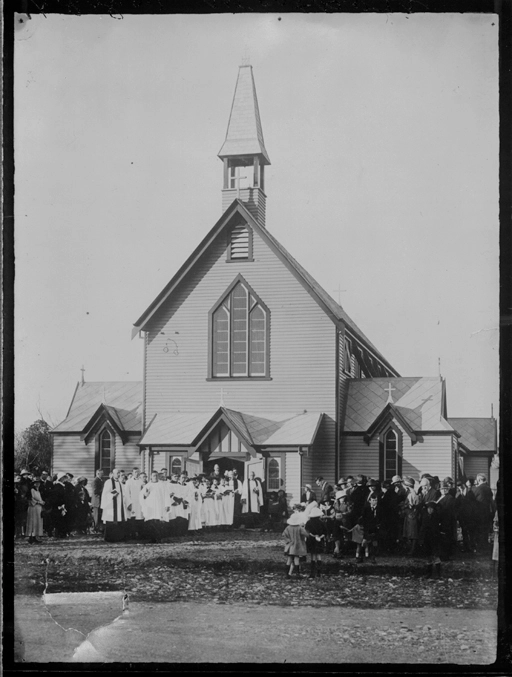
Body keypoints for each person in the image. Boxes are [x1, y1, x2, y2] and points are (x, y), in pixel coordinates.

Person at [100, 468, 128, 542]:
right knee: (111, 521)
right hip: (111, 506)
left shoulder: (120, 483)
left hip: (119, 505)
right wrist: (112, 495)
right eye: (117, 473)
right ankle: (109, 538)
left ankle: (118, 538)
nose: (118, 474)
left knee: (119, 521)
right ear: (112, 474)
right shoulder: (108, 482)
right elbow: (105, 494)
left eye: (119, 473)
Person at [140, 471, 165, 543]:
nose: (155, 477)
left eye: (156, 475)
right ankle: (152, 538)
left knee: (158, 522)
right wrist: (145, 495)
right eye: (154, 475)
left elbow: (166, 495)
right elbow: (142, 496)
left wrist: (167, 505)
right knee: (151, 522)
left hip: (159, 506)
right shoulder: (147, 485)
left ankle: (159, 538)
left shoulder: (162, 485)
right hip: (150, 507)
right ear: (151, 476)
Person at [471, 473, 494, 552]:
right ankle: (485, 546)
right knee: (485, 531)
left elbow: (472, 500)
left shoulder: (478, 489)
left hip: (479, 514)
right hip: (487, 513)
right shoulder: (488, 488)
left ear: (479, 480)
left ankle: (480, 548)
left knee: (479, 531)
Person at [282, 511, 309, 579]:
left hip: (290, 546)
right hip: (298, 545)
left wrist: (288, 541)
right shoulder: (300, 528)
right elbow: (306, 534)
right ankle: (297, 574)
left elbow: (284, 535)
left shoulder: (288, 528)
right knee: (296, 559)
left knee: (289, 559)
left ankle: (286, 574)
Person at [419, 501, 442, 578]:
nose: (430, 510)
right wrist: (421, 539)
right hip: (426, 538)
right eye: (428, 508)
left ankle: (438, 574)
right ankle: (429, 573)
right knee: (428, 556)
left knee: (436, 556)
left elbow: (437, 529)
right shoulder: (425, 517)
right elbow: (422, 528)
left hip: (434, 538)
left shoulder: (436, 517)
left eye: (431, 509)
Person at [436, 480, 457, 561]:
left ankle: (445, 556)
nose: (443, 490)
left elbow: (447, 510)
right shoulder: (441, 497)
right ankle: (442, 554)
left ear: (448, 489)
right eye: (442, 489)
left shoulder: (450, 498)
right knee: (442, 538)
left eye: (445, 489)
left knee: (446, 538)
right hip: (441, 520)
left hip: (446, 521)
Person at [304, 506, 327, 578]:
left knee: (313, 556)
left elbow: (307, 532)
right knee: (319, 555)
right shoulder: (322, 522)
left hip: (311, 540)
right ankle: (319, 573)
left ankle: (312, 573)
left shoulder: (308, 522)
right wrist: (320, 537)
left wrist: (313, 536)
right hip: (320, 540)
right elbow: (325, 532)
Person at [401, 477, 420, 555]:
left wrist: (405, 506)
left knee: (413, 533)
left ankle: (413, 550)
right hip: (409, 515)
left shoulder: (412, 494)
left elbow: (413, 505)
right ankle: (411, 549)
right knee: (409, 533)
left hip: (412, 515)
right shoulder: (409, 493)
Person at [361, 494, 381, 563]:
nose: (375, 502)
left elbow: (381, 518)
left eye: (376, 500)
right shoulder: (366, 509)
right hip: (367, 528)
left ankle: (373, 557)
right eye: (373, 500)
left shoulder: (379, 509)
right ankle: (361, 557)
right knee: (364, 542)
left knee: (374, 543)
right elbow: (363, 518)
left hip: (375, 528)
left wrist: (379, 525)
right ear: (369, 501)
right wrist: (364, 526)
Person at [26, 477, 45, 544]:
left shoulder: (38, 491)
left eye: (38, 483)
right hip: (33, 508)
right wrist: (39, 502)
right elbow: (31, 499)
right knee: (33, 522)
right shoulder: (31, 490)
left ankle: (35, 537)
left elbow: (39, 499)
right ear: (33, 483)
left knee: (37, 522)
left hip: (38, 508)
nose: (37, 484)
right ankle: (31, 537)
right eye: (36, 483)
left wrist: (42, 502)